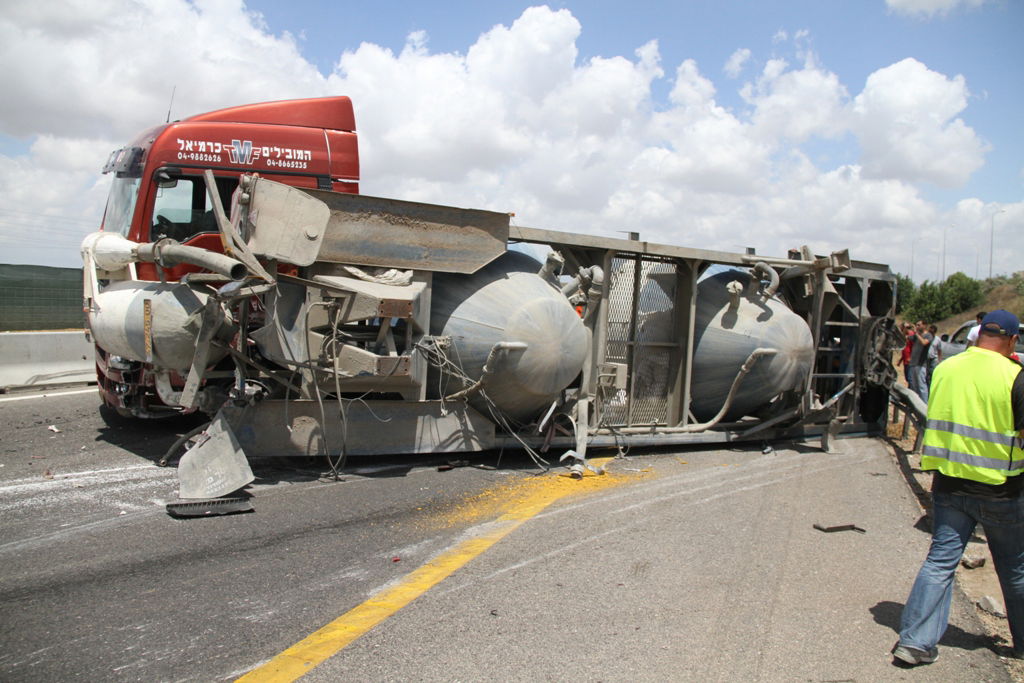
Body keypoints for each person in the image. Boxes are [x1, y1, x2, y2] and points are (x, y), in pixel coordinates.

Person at [894, 310, 1024, 666]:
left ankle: (915, 642)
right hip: (1002, 491)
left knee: (940, 563)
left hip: (949, 484)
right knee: (1014, 570)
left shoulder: (947, 369)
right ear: (1012, 340)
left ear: (978, 334)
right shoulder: (1016, 376)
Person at [908, 320, 933, 402]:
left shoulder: (928, 335)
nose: (917, 326)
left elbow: (924, 343)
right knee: (914, 386)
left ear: (924, 326)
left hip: (921, 364)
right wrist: (906, 328)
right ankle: (916, 404)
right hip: (913, 363)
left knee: (922, 386)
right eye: (916, 325)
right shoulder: (916, 336)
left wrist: (916, 333)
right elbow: (906, 338)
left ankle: (924, 405)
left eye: (919, 325)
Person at [898, 322, 916, 389]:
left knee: (910, 378)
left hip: (909, 360)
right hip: (906, 360)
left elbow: (914, 348)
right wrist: (900, 360)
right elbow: (905, 349)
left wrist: (911, 357)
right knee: (907, 377)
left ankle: (912, 391)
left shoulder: (911, 335)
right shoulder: (906, 336)